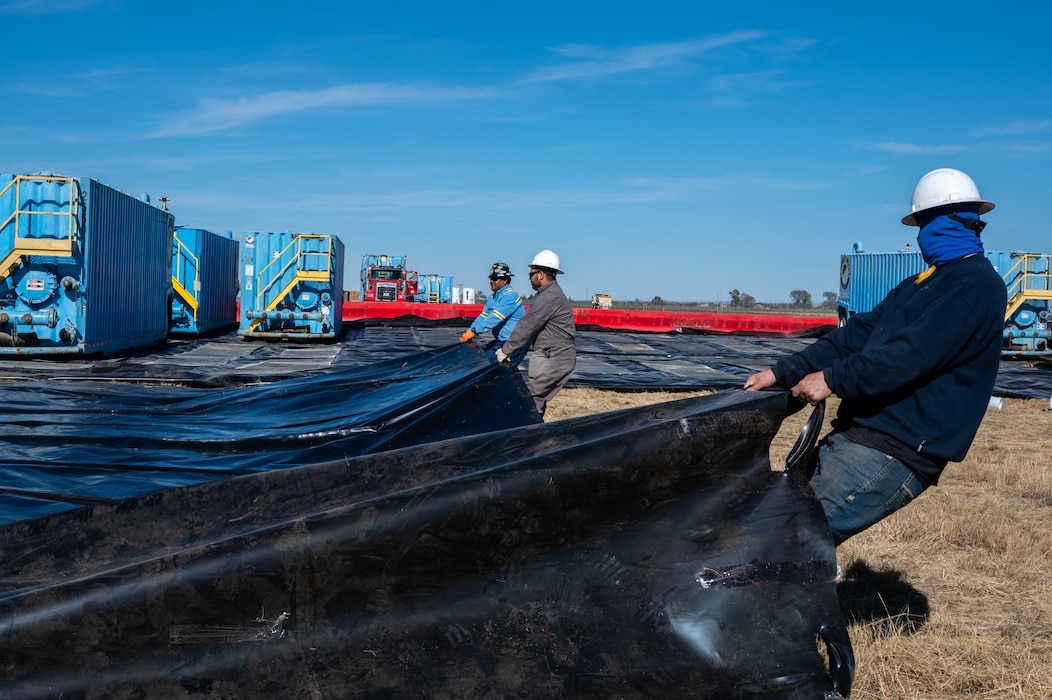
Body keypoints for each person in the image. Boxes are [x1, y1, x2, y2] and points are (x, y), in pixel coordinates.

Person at [744, 168, 1006, 545]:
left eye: (924, 223)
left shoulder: (976, 285)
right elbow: (854, 336)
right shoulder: (922, 284)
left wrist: (832, 379)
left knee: (790, 541)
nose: (921, 235)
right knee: (780, 528)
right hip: (859, 435)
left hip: (895, 448)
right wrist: (781, 372)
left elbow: (909, 355)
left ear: (953, 222)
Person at [496, 250, 577, 416]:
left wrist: (506, 350)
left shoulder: (548, 297)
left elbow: (528, 324)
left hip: (553, 355)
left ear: (541, 275)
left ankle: (528, 435)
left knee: (530, 400)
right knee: (534, 400)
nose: (529, 277)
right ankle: (534, 430)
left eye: (531, 273)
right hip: (551, 353)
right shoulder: (548, 294)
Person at [460, 262, 525, 351]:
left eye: (495, 279)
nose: (491, 281)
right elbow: (483, 316)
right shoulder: (493, 298)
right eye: (491, 278)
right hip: (502, 342)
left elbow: (495, 318)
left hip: (516, 344)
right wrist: (471, 330)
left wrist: (475, 331)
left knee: (497, 364)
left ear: (505, 280)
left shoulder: (510, 296)